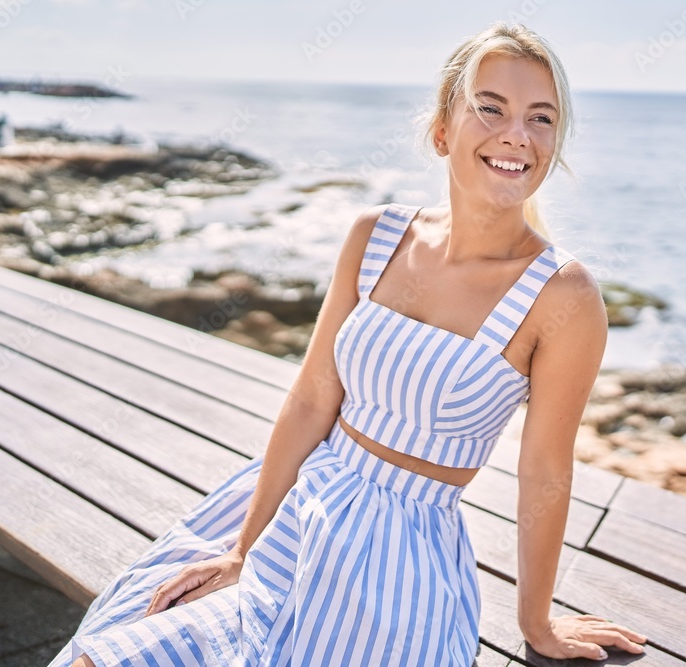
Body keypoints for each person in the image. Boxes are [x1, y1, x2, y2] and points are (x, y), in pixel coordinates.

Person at [52, 21, 647, 666]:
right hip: (293, 514)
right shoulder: (377, 237)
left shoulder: (562, 295)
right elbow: (312, 398)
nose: (517, 135)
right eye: (490, 107)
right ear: (443, 130)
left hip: (399, 565)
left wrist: (537, 624)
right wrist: (243, 549)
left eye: (541, 118)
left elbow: (545, 473)